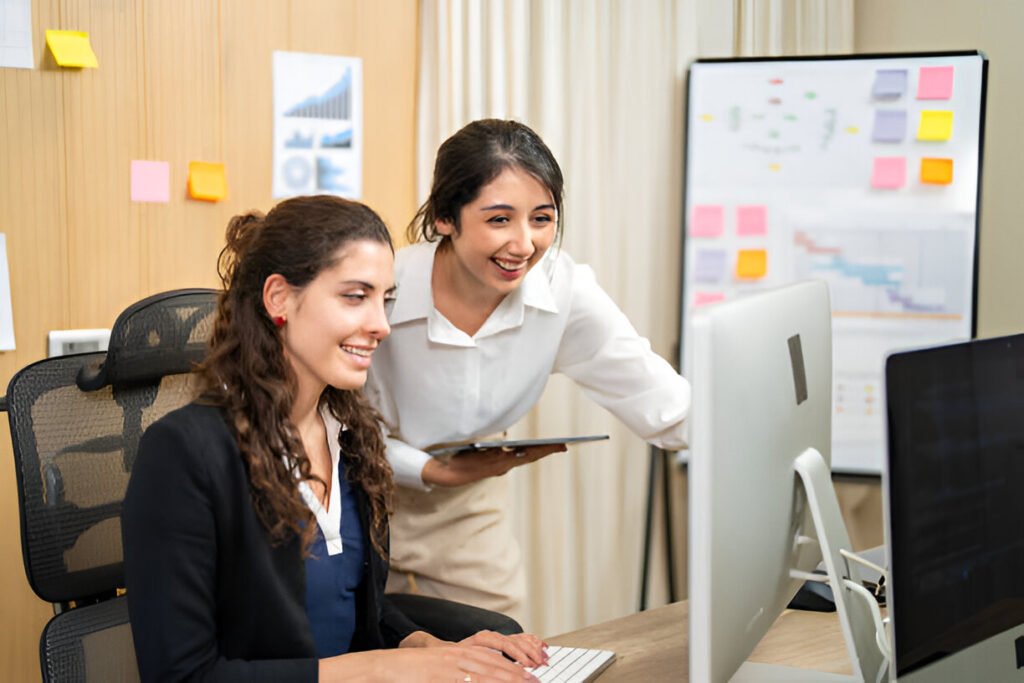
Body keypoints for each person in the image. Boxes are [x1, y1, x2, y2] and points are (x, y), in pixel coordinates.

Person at [122, 195, 546, 681]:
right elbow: (183, 676)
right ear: (278, 297)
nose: (381, 326)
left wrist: (431, 647)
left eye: (384, 299)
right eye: (354, 296)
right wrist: (386, 669)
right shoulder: (183, 454)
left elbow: (350, 608)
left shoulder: (352, 436)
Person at [365, 119, 692, 619]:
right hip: (353, 494)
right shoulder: (383, 287)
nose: (523, 244)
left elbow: (660, 400)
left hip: (466, 511)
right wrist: (428, 470)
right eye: (499, 220)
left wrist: (758, 449)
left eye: (542, 218)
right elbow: (329, 421)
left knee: (502, 646)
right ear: (445, 217)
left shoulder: (564, 291)